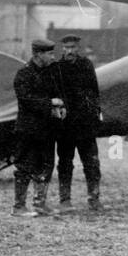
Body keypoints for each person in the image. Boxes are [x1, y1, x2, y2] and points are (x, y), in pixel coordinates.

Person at [50, 34, 103, 210]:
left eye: (72, 47)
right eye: (66, 48)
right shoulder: (56, 68)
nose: (69, 51)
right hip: (65, 125)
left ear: (78, 48)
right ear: (62, 48)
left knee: (92, 163)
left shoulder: (86, 65)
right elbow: (52, 94)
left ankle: (94, 199)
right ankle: (65, 200)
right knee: (65, 163)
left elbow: (94, 92)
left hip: (85, 123)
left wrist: (95, 114)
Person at [11, 37, 63, 217]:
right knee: (25, 166)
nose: (52, 57)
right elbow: (27, 100)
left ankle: (40, 203)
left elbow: (57, 93)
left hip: (47, 129)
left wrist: (60, 108)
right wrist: (51, 103)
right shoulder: (23, 74)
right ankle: (18, 207)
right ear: (38, 54)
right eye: (49, 53)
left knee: (46, 165)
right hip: (28, 129)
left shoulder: (49, 72)